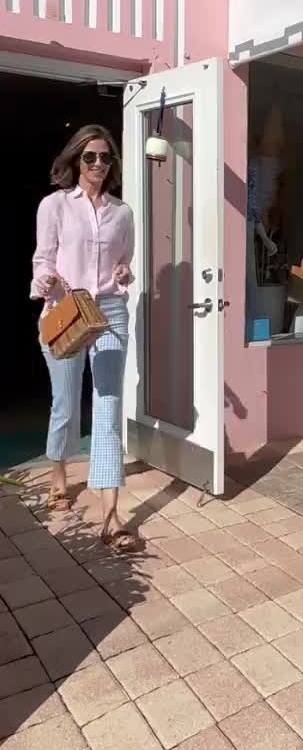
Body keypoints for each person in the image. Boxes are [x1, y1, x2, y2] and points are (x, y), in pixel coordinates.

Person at [31, 124, 137, 551]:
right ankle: (58, 474)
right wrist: (44, 280)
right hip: (67, 309)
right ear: (76, 160)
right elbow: (42, 258)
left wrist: (124, 272)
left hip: (110, 311)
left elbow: (125, 261)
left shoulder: (122, 212)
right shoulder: (55, 205)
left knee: (108, 408)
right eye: (90, 156)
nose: (97, 164)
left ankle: (111, 515)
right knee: (66, 402)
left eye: (105, 157)